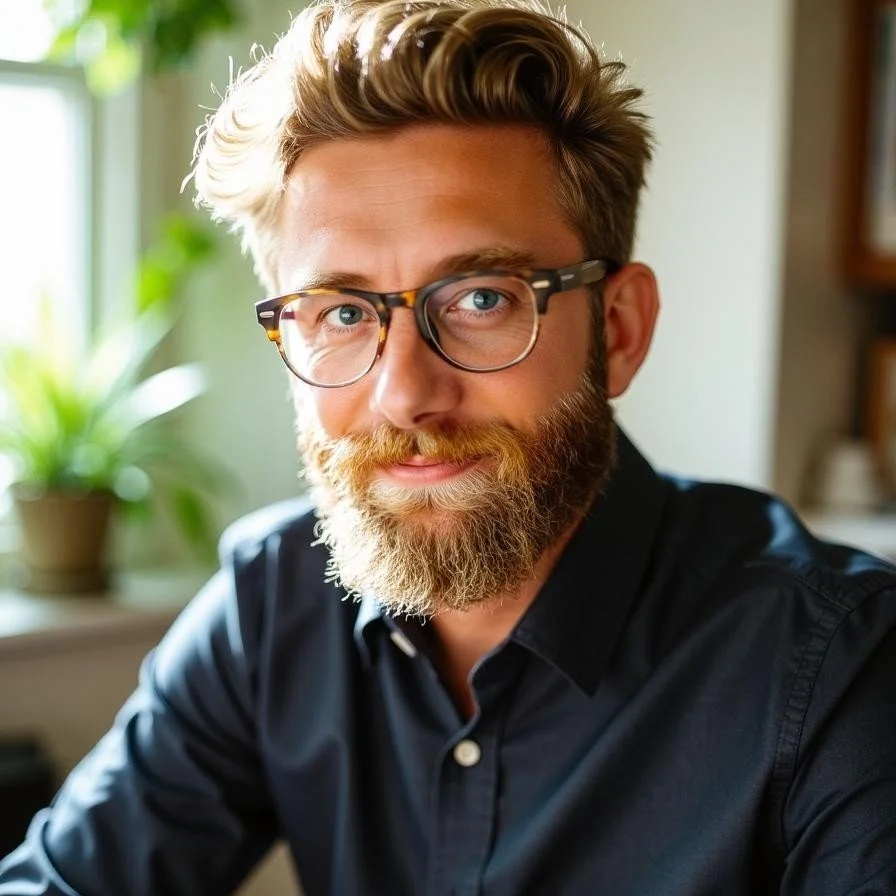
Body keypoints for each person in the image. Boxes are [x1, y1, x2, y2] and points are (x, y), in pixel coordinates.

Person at [2, 0, 896, 892]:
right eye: (344, 313)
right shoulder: (272, 607)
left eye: (480, 299)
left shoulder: (840, 670)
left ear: (618, 331)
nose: (405, 395)